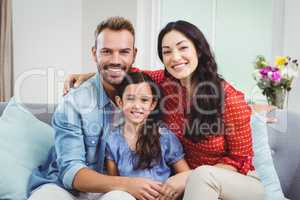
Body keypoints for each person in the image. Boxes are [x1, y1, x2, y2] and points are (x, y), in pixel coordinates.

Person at [65, 20, 265, 200]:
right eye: (167, 51)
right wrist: (90, 75)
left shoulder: (229, 98)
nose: (175, 57)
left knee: (202, 176)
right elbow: (130, 75)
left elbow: (240, 159)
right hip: (192, 185)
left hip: (234, 182)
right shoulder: (166, 82)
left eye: (182, 48)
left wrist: (187, 177)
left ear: (199, 50)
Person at [27, 17, 174, 200]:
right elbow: (70, 172)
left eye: (124, 52)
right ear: (94, 53)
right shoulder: (74, 103)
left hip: (114, 192)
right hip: (64, 188)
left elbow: (179, 73)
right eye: (106, 51)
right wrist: (127, 183)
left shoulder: (142, 92)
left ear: (134, 55)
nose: (115, 60)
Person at [105, 71, 190, 198]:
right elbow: (113, 184)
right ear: (120, 102)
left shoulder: (165, 136)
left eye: (144, 100)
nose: (137, 106)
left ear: (152, 104)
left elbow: (186, 175)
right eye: (130, 99)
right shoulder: (112, 140)